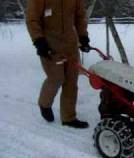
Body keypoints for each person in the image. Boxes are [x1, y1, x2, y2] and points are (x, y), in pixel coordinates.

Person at [26, 0, 91, 128]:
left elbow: (80, 17)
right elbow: (32, 19)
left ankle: (68, 118)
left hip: (70, 45)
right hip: (50, 44)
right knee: (56, 78)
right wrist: (39, 40)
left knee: (71, 81)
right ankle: (44, 104)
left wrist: (83, 37)